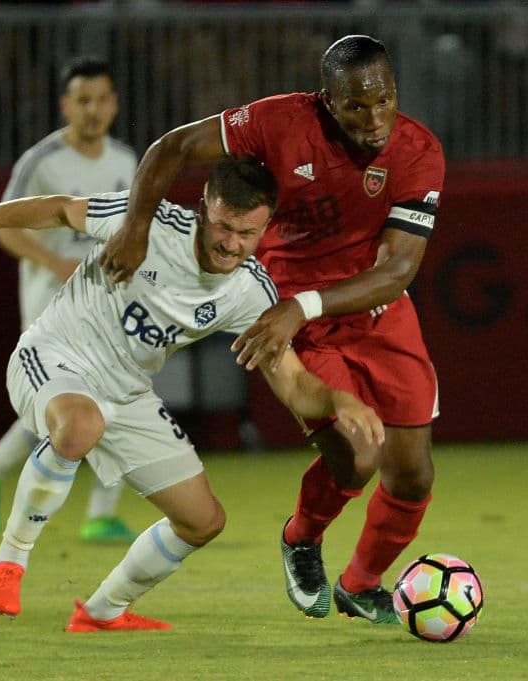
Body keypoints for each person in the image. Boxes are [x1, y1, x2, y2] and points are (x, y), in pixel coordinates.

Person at [0, 156, 385, 632]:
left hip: (126, 394)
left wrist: (337, 400)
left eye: (248, 234)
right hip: (55, 355)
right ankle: (8, 565)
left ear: (265, 227)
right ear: (205, 206)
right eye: (224, 228)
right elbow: (61, 207)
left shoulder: (250, 293)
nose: (232, 245)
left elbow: (293, 381)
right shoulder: (148, 224)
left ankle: (103, 611)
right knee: (80, 423)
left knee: (202, 521)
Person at [98, 35, 444, 625]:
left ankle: (362, 584)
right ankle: (302, 538)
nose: (375, 119)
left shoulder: (418, 151)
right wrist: (135, 226)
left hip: (371, 310)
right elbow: (173, 146)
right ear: (327, 101)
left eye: (384, 100)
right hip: (285, 314)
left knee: (412, 475)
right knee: (357, 458)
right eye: (357, 106)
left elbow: (397, 270)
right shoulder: (278, 122)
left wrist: (305, 305)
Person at [0, 56, 141, 543]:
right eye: (83, 100)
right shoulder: (41, 162)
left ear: (114, 103)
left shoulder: (127, 161)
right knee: (62, 407)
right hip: (50, 303)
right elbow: (6, 231)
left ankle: (99, 511)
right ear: (66, 105)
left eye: (102, 99)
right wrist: (52, 260)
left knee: (117, 395)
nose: (93, 110)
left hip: (107, 302)